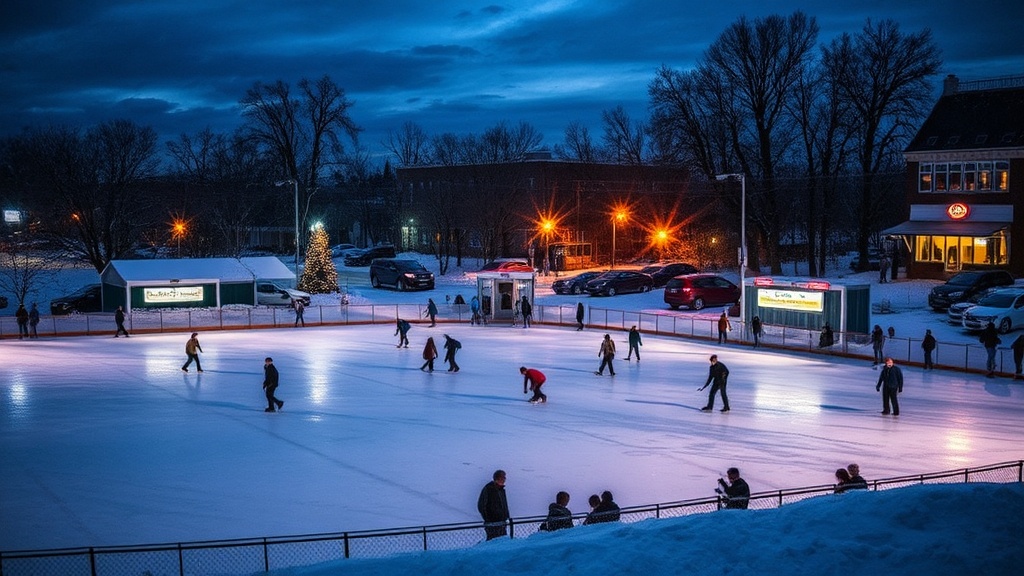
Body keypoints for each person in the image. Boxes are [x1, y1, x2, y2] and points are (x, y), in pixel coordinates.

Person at [477, 469, 509, 540]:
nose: (504, 479)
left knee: (502, 541)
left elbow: (504, 505)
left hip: (502, 522)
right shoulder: (488, 489)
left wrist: (506, 516)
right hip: (492, 523)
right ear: (497, 478)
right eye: (502, 478)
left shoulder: (501, 490)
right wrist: (488, 518)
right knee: (492, 541)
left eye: (504, 478)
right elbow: (481, 505)